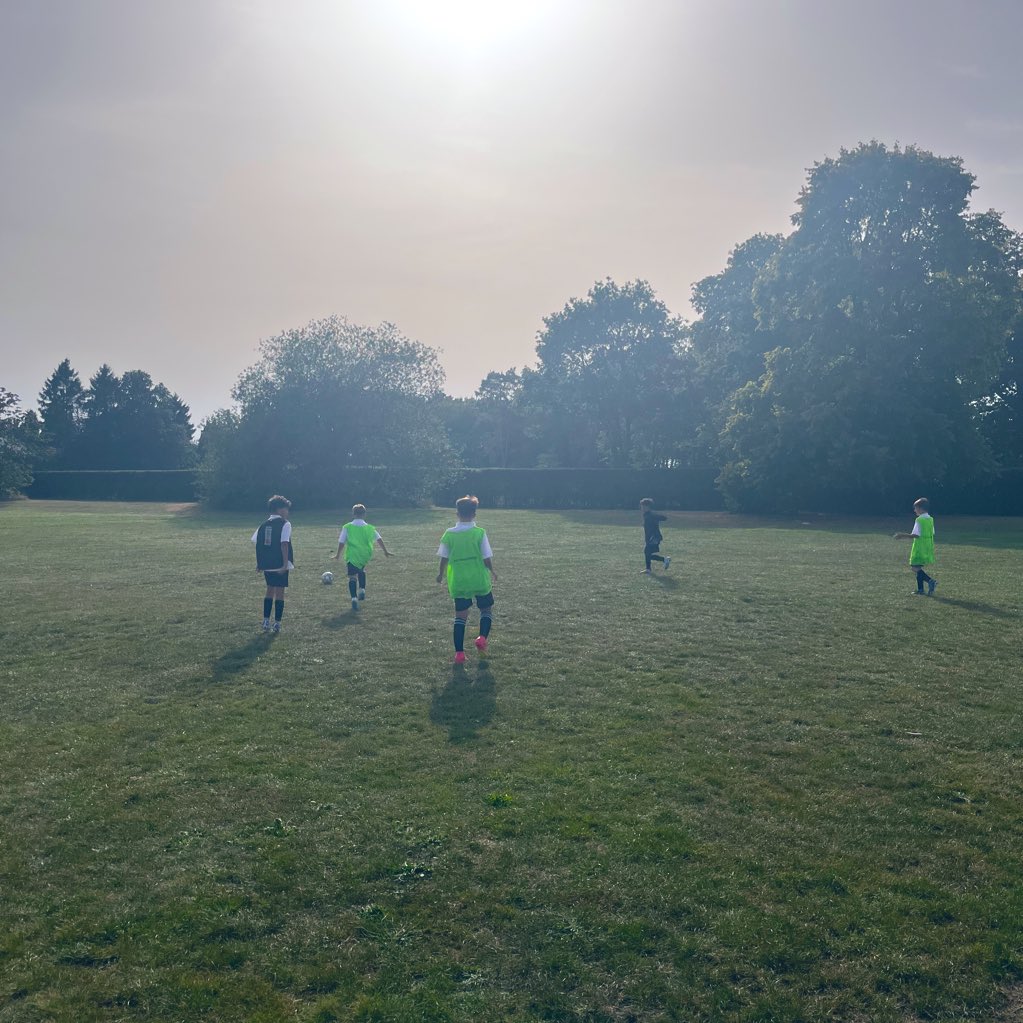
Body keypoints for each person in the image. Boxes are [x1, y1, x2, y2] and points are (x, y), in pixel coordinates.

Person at [437, 495, 497, 664]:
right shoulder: (479, 533)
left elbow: (444, 557)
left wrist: (440, 574)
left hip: (459, 580)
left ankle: (459, 654)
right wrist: (492, 571)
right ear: (474, 514)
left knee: (460, 617)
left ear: (457, 513)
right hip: (479, 578)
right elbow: (486, 557)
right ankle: (482, 638)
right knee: (486, 610)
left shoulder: (448, 534)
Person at [331, 503, 393, 610]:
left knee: (352, 577)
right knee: (361, 570)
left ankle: (354, 598)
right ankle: (362, 589)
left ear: (353, 514)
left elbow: (341, 542)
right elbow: (379, 539)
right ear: (364, 514)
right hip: (365, 555)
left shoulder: (347, 527)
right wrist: (385, 551)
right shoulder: (370, 528)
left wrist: (337, 555)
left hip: (353, 554)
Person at [252, 495, 294, 633]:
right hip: (279, 564)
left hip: (267, 565)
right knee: (280, 593)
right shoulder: (285, 523)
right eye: (286, 509)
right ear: (279, 509)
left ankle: (265, 621)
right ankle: (277, 623)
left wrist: (260, 563)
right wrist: (284, 564)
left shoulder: (263, 525)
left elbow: (257, 543)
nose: (287, 512)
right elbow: (284, 544)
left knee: (269, 590)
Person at [893, 497, 937, 595]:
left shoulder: (919, 519)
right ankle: (920, 589)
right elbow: (932, 532)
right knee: (918, 567)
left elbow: (915, 535)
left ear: (920, 508)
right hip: (928, 546)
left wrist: (902, 535)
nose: (914, 510)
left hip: (919, 546)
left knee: (914, 567)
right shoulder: (930, 519)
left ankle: (931, 581)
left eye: (915, 508)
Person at [639, 498, 672, 575]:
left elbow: (664, 518)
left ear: (647, 506)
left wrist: (657, 517)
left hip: (653, 537)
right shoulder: (647, 515)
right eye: (641, 506)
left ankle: (649, 569)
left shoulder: (650, 515)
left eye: (643, 506)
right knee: (648, 553)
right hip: (651, 537)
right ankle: (663, 560)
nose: (642, 508)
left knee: (647, 552)